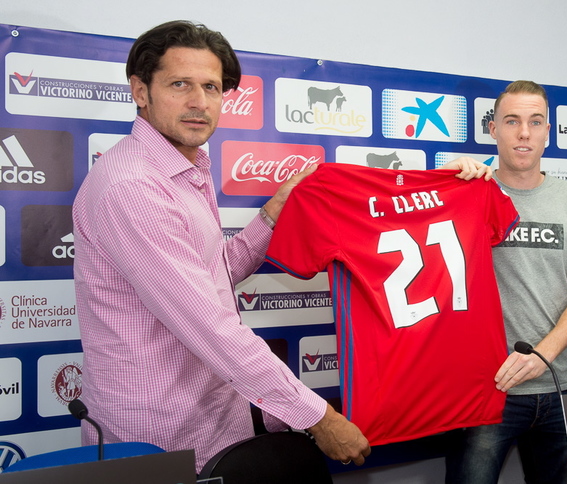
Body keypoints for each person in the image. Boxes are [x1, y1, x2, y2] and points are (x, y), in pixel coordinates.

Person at [72, 20, 370, 473]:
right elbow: (209, 324)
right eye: (180, 84)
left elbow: (212, 273)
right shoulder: (132, 186)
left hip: (211, 420)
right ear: (140, 91)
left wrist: (274, 212)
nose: (199, 102)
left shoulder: (185, 168)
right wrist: (318, 417)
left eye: (212, 87)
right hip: (155, 435)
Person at [443, 80, 567, 484]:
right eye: (512, 121)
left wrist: (541, 357)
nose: (524, 133)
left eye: (535, 121)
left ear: (549, 130)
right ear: (493, 129)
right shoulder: (468, 191)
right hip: (487, 392)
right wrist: (444, 180)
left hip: (558, 386)